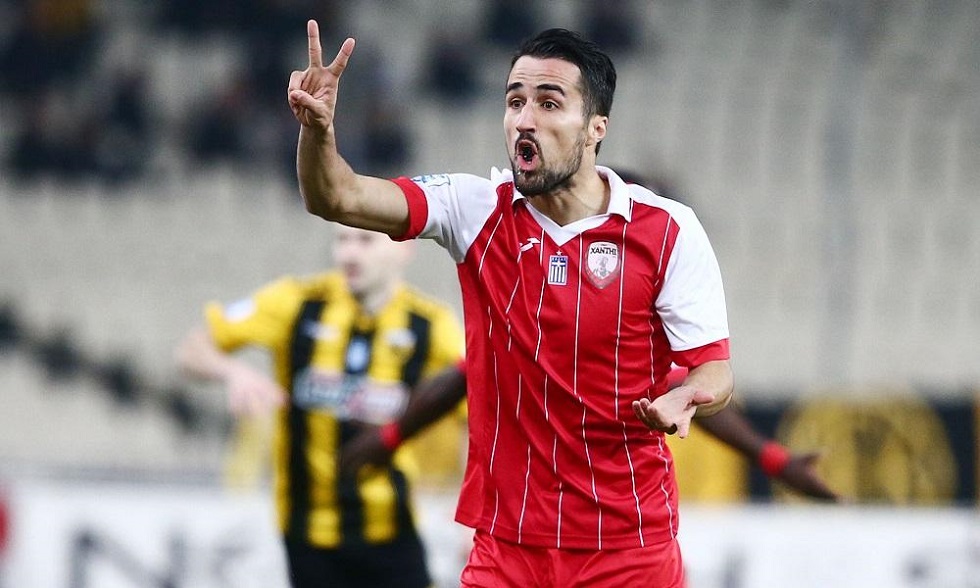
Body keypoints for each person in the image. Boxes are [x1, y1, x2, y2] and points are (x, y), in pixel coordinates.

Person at [289, 22, 733, 587]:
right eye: (515, 101)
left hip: (627, 548)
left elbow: (714, 371)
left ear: (595, 127)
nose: (525, 119)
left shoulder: (667, 229)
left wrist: (687, 397)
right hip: (506, 551)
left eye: (549, 103)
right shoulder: (473, 209)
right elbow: (337, 196)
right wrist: (318, 133)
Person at [174, 224, 465, 588]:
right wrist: (232, 372)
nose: (349, 253)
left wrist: (473, 519)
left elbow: (477, 411)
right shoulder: (296, 302)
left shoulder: (430, 323)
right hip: (307, 535)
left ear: (403, 249)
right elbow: (191, 351)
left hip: (393, 530)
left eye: (365, 240)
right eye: (342, 240)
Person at [345, 364, 839, 502]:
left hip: (618, 526)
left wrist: (774, 460)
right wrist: (389, 439)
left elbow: (688, 391)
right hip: (530, 521)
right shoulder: (547, 296)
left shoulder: (636, 329)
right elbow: (463, 373)